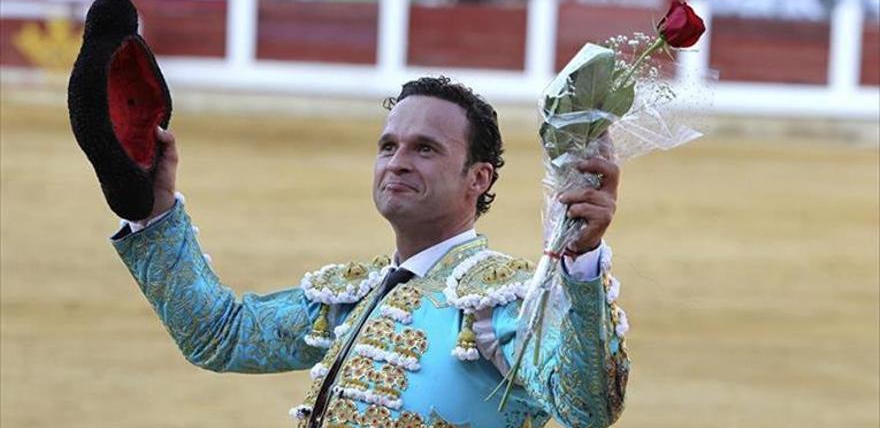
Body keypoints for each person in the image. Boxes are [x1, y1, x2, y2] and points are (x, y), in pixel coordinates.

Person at [110, 76, 630, 427]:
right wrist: (155, 213)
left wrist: (580, 264)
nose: (397, 162)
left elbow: (586, 406)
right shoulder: (356, 297)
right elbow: (220, 336)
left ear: (478, 178)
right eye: (388, 146)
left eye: (424, 148)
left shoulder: (501, 303)